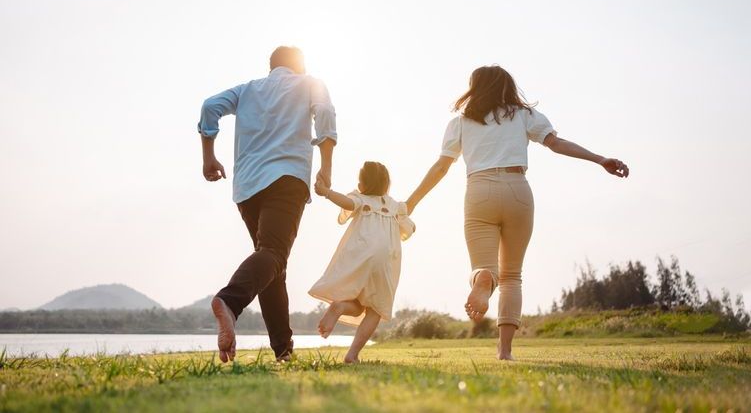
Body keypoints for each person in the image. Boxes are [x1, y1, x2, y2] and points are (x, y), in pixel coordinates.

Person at [405, 65, 629, 360]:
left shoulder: (461, 122)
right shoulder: (524, 115)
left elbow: (442, 166)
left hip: (479, 191)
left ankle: (483, 279)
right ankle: (505, 351)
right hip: (517, 190)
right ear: (508, 87)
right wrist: (600, 159)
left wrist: (411, 202)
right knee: (512, 276)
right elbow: (556, 143)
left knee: (485, 268)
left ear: (474, 88)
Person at [196, 46, 337, 363]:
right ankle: (230, 303)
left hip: (247, 187)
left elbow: (209, 106)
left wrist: (209, 158)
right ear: (300, 66)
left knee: (273, 266)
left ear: (270, 66)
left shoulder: (247, 89)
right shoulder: (310, 82)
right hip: (286, 178)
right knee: (273, 255)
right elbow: (326, 114)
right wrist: (326, 166)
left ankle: (283, 351)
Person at [309, 161, 415, 363]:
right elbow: (410, 228)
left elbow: (347, 204)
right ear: (386, 184)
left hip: (361, 255)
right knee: (375, 310)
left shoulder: (360, 199)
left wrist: (326, 192)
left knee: (357, 305)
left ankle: (339, 307)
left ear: (363, 184)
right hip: (384, 261)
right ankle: (352, 354)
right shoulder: (394, 206)